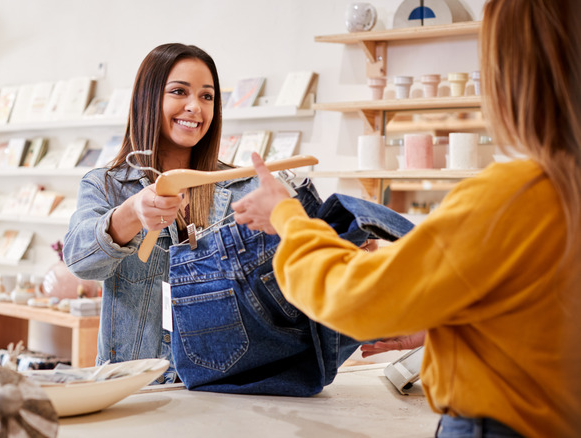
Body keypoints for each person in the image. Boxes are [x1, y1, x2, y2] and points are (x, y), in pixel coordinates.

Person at [231, 0, 581, 436]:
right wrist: (451, 322)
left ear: (512, 74)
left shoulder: (514, 196)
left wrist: (286, 215)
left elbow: (355, 298)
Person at [63, 43, 259, 383]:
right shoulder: (107, 185)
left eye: (207, 96)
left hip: (221, 386)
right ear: (147, 98)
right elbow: (80, 260)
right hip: (132, 387)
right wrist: (131, 213)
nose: (194, 107)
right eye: (179, 91)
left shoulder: (242, 187)